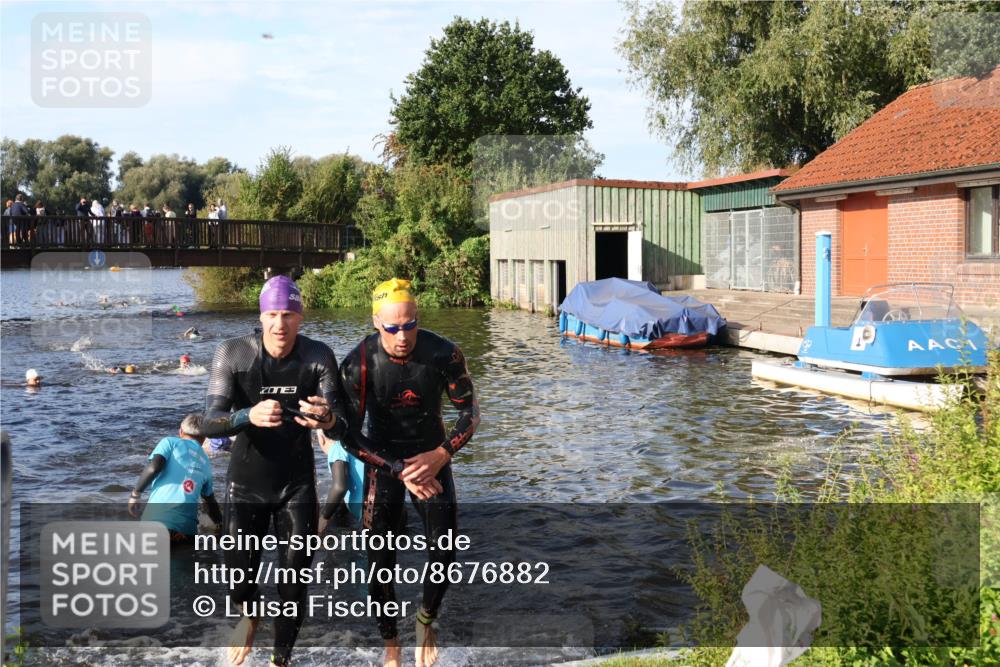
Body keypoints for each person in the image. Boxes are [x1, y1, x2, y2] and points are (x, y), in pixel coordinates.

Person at [200, 275, 409, 667]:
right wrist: (247, 415)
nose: (280, 325)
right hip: (246, 485)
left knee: (292, 583)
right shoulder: (233, 353)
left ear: (301, 317)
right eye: (273, 315)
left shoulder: (318, 357)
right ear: (261, 317)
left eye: (289, 315)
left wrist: (326, 418)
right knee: (237, 582)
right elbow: (207, 422)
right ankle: (250, 613)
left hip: (297, 486)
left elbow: (342, 425)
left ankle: (281, 661)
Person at [334, 278, 479, 667]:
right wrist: (398, 470)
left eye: (410, 324)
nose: (403, 336)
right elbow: (348, 436)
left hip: (431, 459)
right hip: (384, 463)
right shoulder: (358, 363)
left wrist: (442, 454)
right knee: (379, 558)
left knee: (445, 550)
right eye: (393, 327)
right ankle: (392, 643)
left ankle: (425, 621)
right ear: (376, 322)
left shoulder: (444, 354)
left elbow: (470, 412)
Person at [128, 413, 222, 542]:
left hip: (156, 522)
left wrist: (135, 495)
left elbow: (154, 468)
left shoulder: (170, 442)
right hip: (186, 530)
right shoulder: (206, 461)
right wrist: (220, 526)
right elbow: (210, 502)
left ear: (181, 431)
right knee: (182, 561)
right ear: (204, 437)